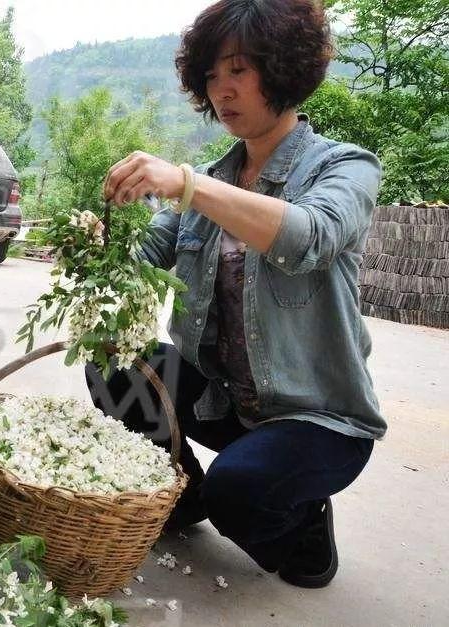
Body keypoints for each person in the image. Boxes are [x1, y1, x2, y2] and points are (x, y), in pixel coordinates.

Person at [86, 0, 384, 589]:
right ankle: (186, 496)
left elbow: (309, 236)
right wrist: (98, 238)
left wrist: (188, 185)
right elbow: (144, 257)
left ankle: (303, 527)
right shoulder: (212, 182)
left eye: (239, 70)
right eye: (212, 75)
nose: (222, 89)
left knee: (242, 493)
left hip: (316, 417)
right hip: (226, 402)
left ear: (283, 69)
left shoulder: (346, 168)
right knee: (113, 364)